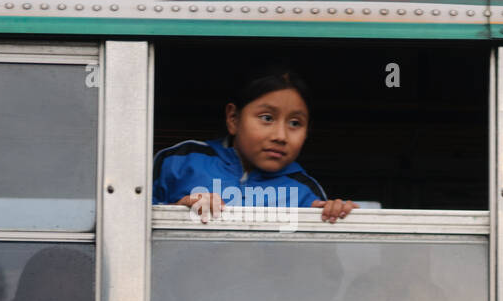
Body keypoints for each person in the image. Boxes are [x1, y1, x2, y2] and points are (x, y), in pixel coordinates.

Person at [152, 67, 358, 223]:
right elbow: (130, 225)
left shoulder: (305, 191)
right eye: (267, 118)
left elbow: (323, 271)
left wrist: (336, 216)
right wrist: (178, 209)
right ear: (233, 118)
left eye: (295, 123)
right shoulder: (181, 161)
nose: (280, 136)